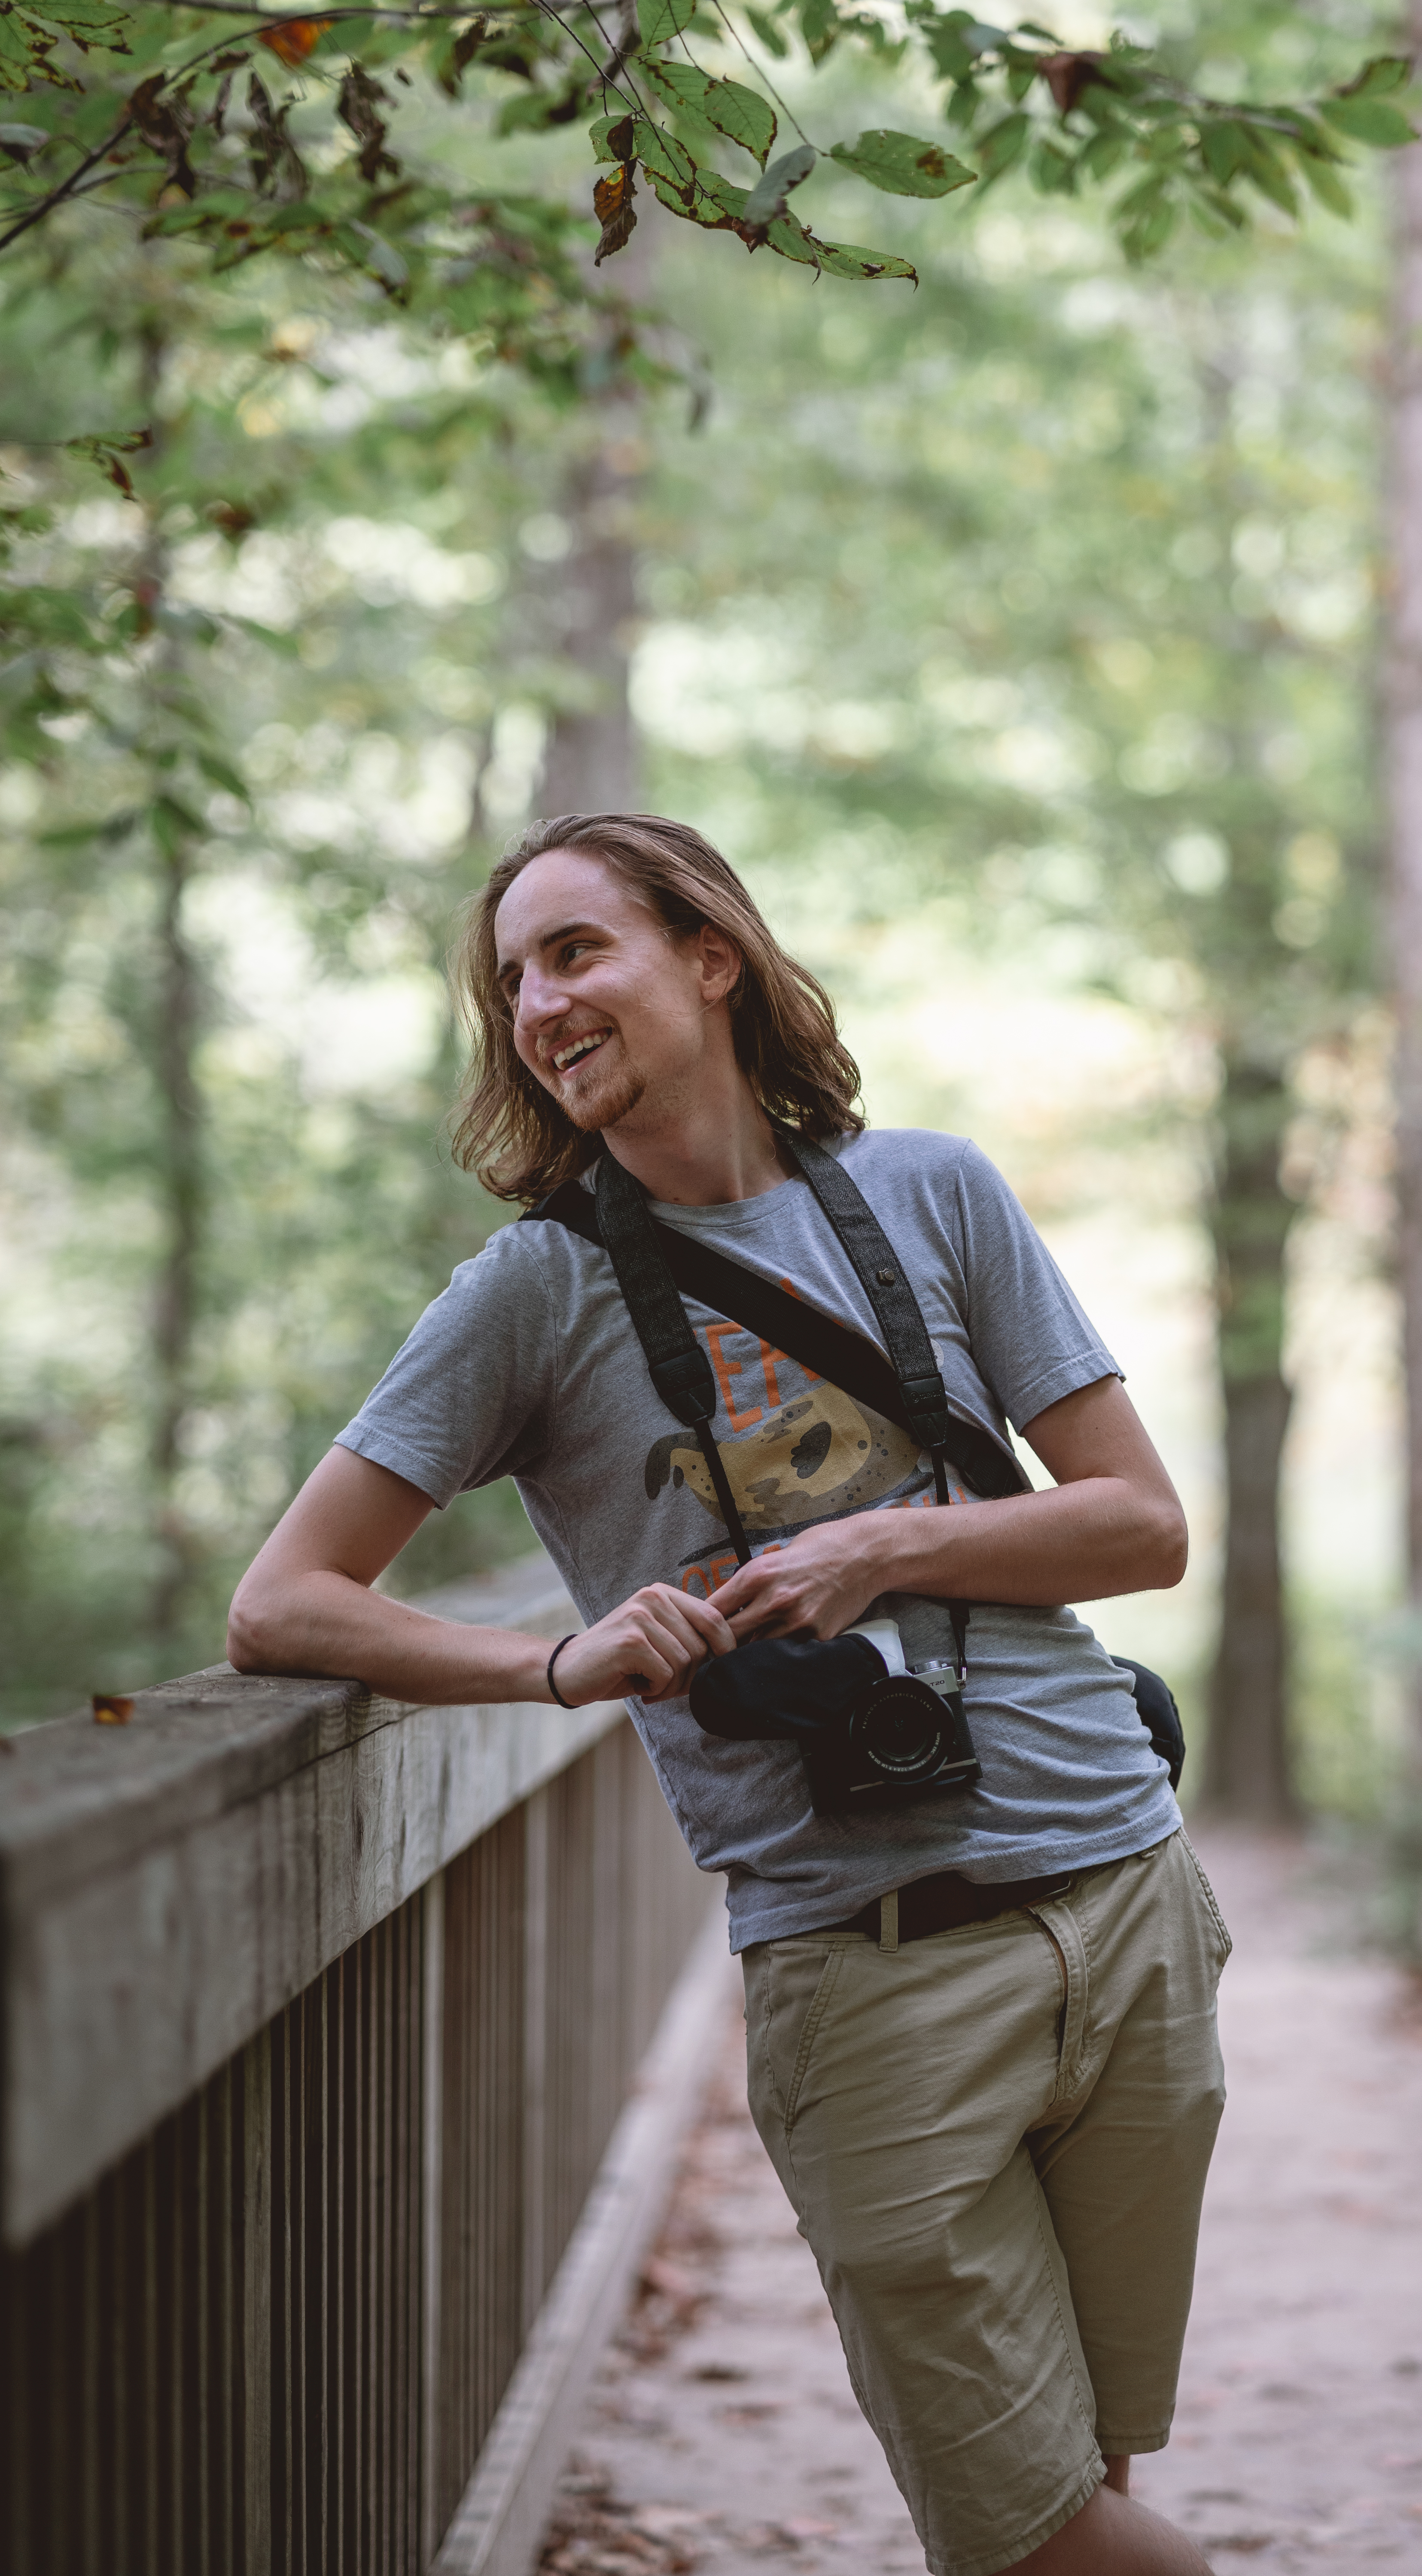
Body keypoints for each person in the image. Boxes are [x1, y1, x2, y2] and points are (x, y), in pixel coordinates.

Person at [229, 811, 1229, 2576]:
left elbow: (1140, 1527)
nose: (536, 1004)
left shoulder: (934, 1192)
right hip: (868, 1964)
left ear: (711, 955)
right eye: (512, 981)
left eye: (573, 950)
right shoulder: (532, 1296)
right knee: (1039, 2532)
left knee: (1083, 2482)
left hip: (1125, 1891)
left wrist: (878, 1556)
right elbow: (283, 1605)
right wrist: (558, 1661)